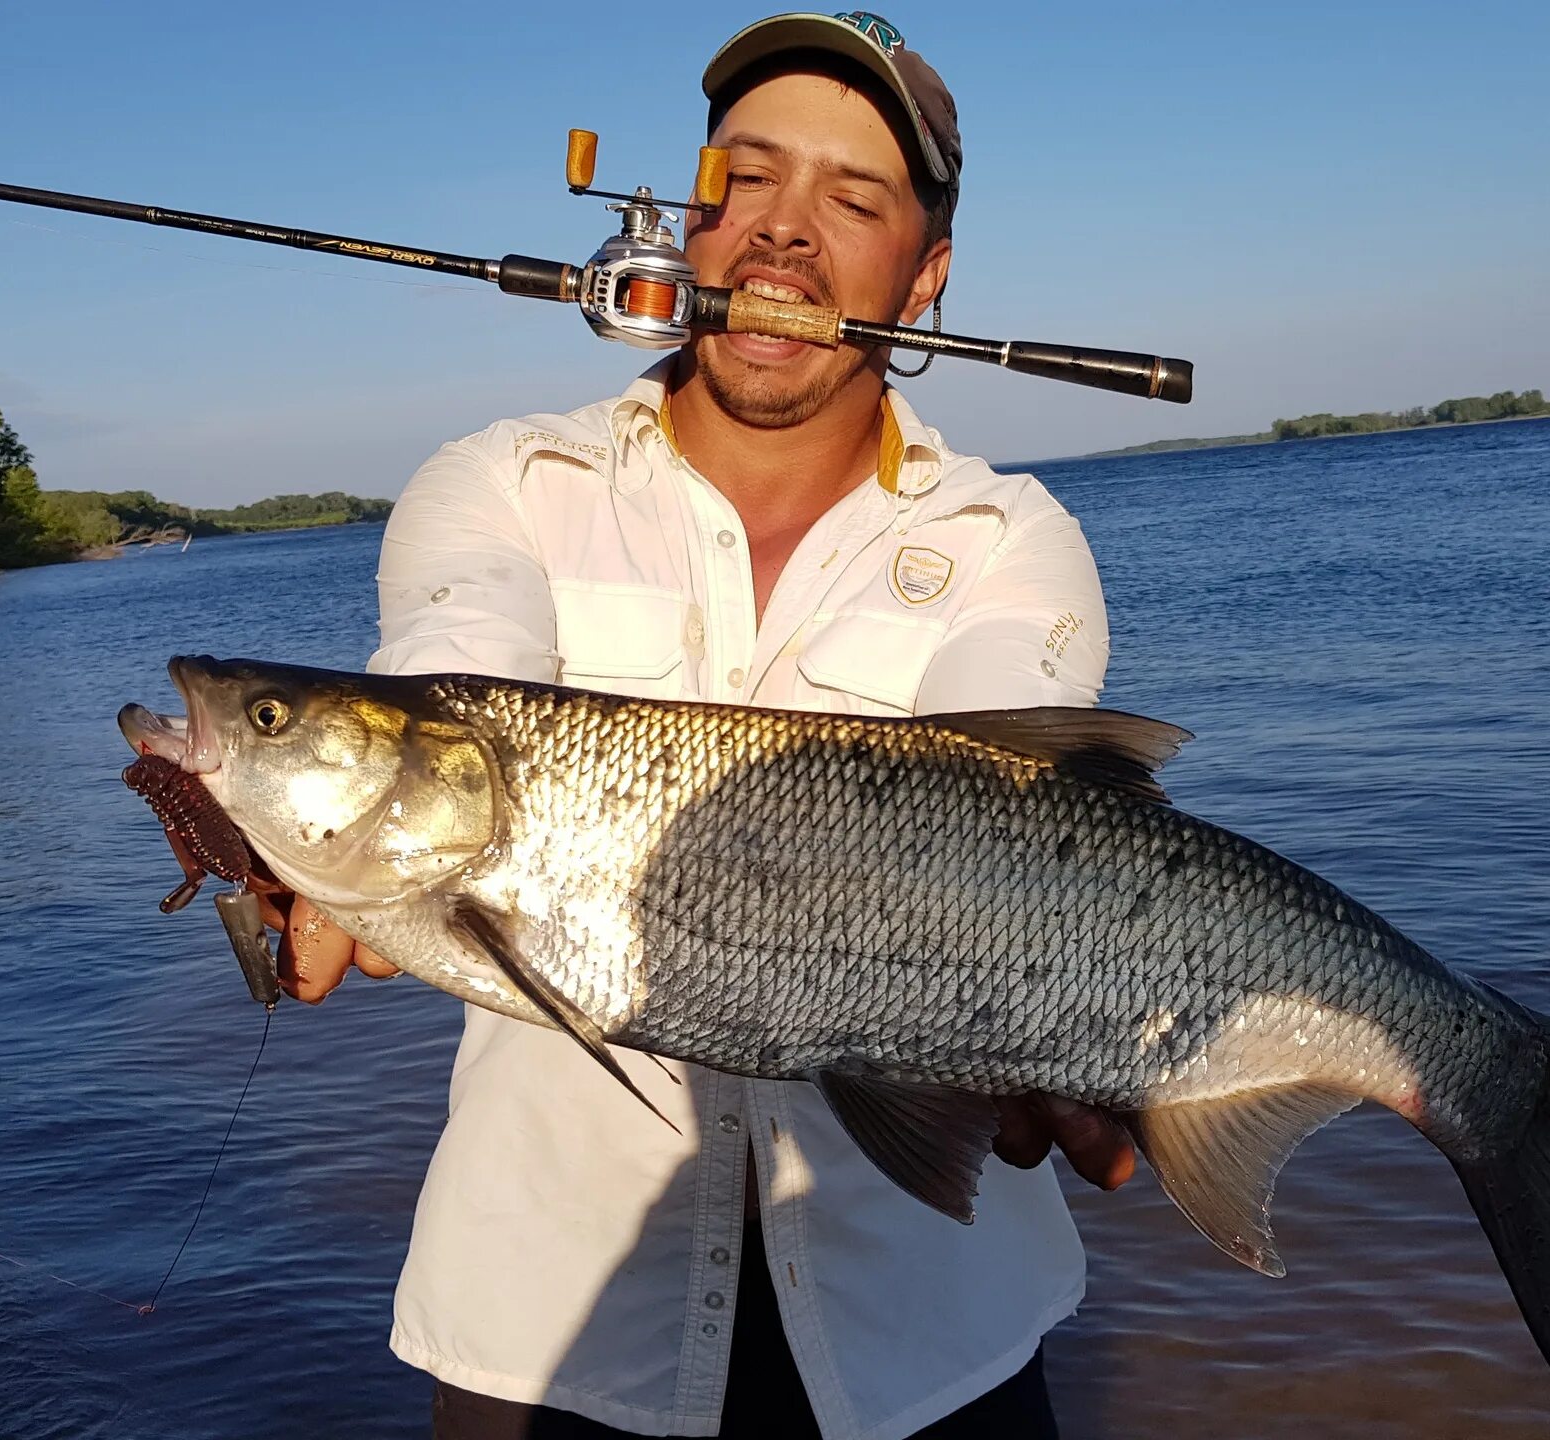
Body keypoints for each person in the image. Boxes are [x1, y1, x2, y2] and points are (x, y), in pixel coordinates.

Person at [264, 14, 1133, 1438]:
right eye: (746, 180)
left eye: (854, 202)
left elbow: (999, 820)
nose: (784, 238)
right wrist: (304, 816)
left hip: (932, 1345)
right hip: (550, 1340)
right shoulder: (504, 482)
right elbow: (451, 672)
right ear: (683, 221)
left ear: (926, 279)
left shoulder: (1007, 537)